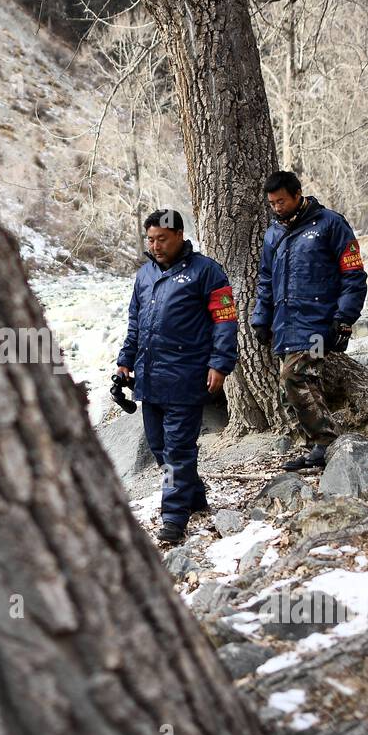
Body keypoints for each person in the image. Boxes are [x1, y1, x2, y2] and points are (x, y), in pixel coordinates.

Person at [116, 209, 239, 544]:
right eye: (151, 239)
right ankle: (195, 498)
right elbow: (135, 324)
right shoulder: (144, 276)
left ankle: (174, 520)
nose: (155, 246)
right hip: (149, 379)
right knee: (159, 448)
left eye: (162, 239)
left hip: (187, 378)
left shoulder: (207, 272)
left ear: (180, 235)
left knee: (178, 451)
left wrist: (220, 363)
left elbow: (225, 320)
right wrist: (125, 361)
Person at [251, 171, 368, 471]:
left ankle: (328, 444)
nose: (277, 208)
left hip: (319, 324)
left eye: (281, 201)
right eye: (272, 203)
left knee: (296, 377)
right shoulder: (273, 235)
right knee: (289, 390)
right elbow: (266, 281)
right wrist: (261, 320)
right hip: (285, 325)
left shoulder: (331, 224)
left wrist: (344, 320)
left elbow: (353, 275)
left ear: (298, 193)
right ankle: (316, 447)